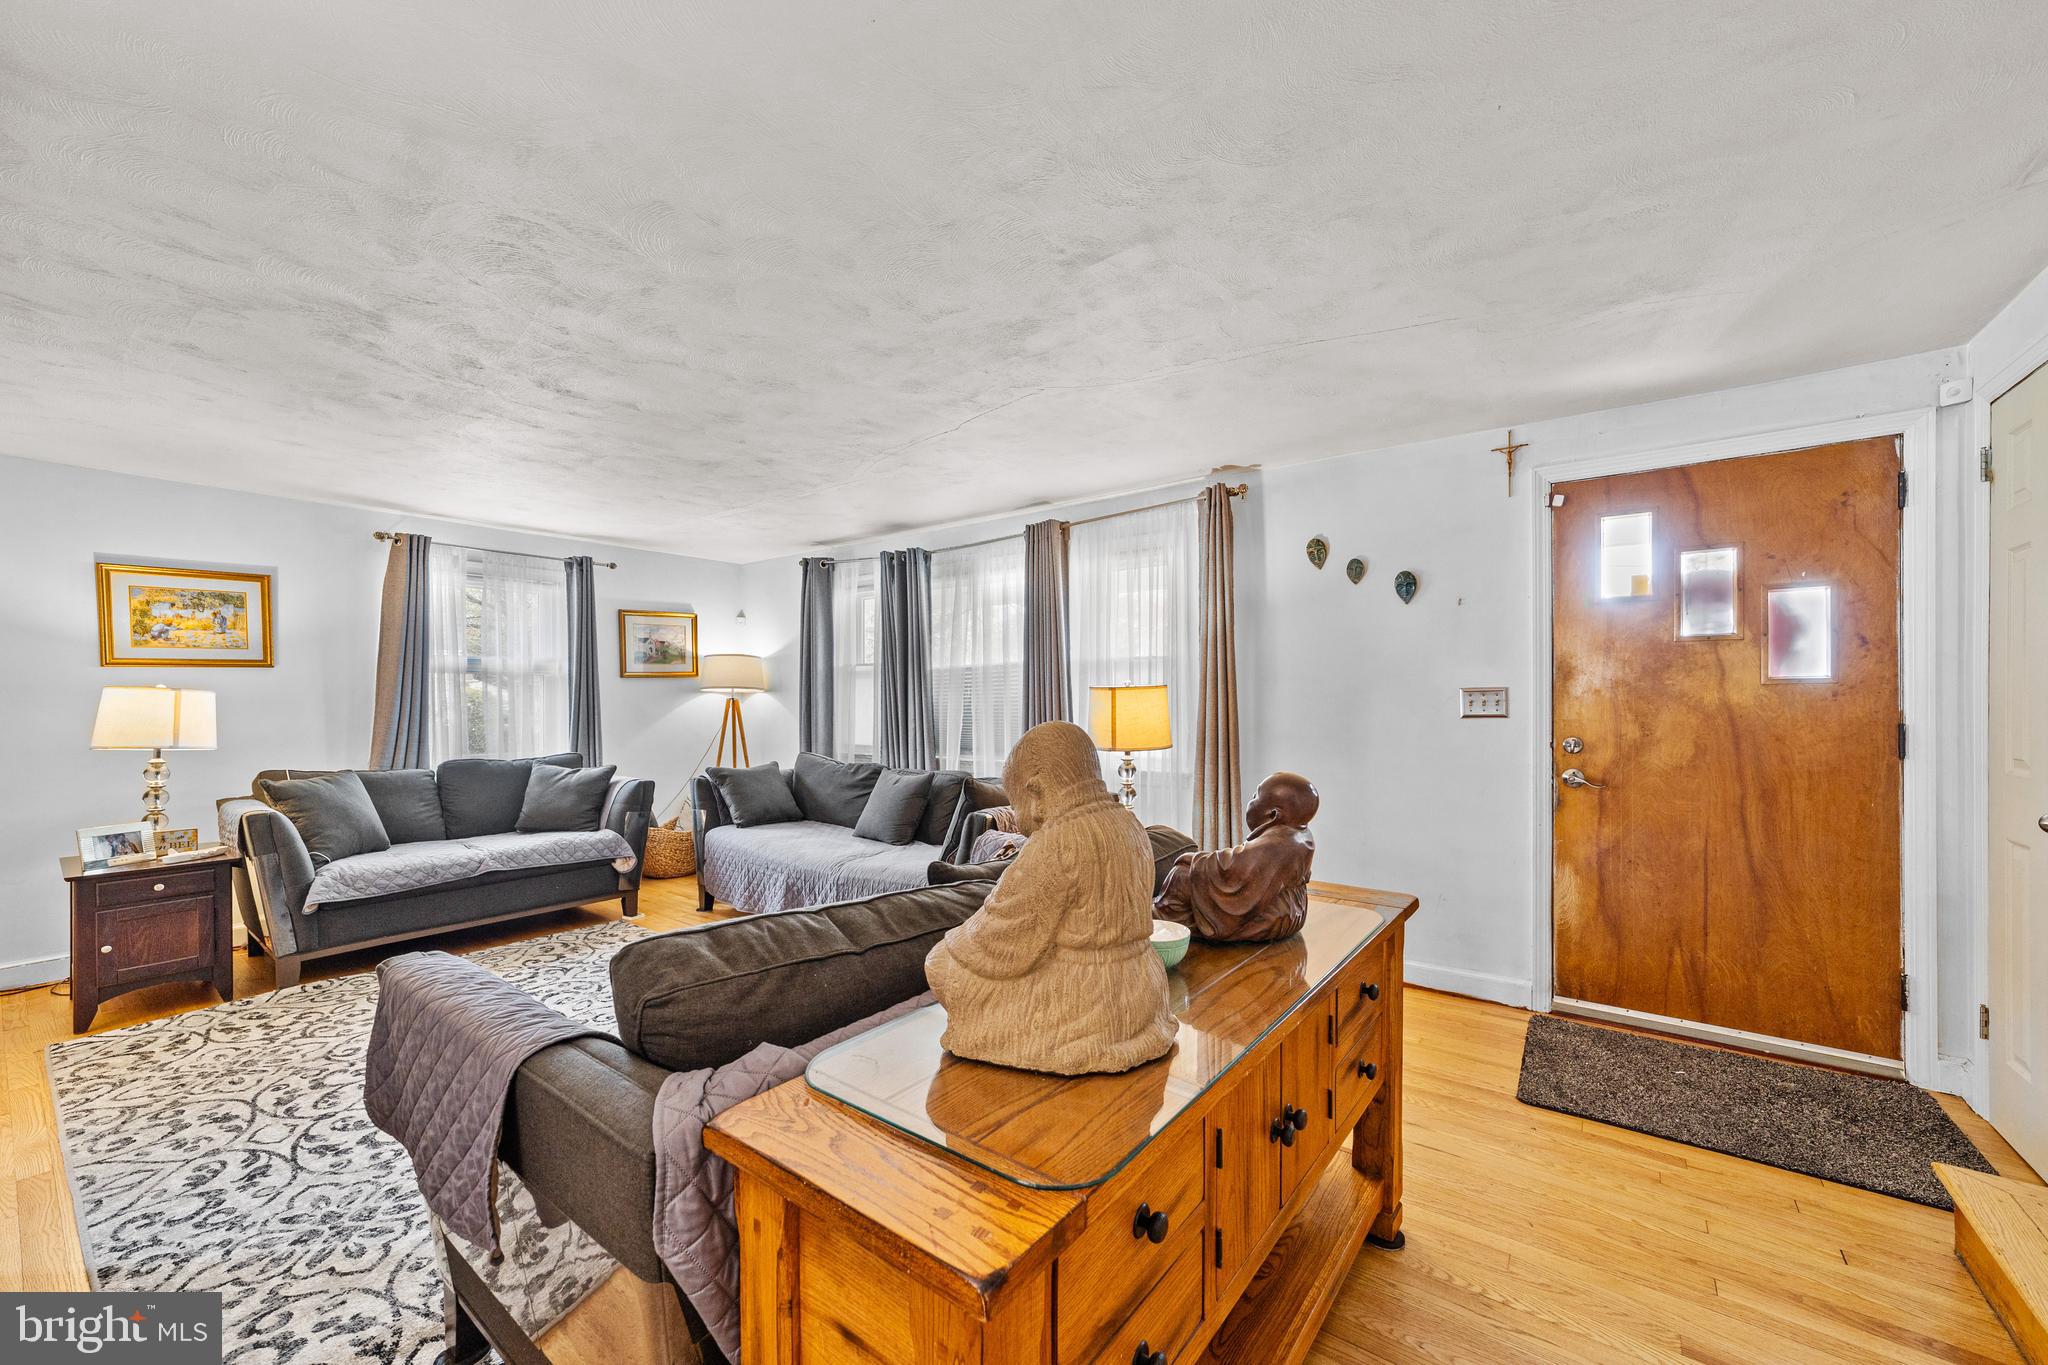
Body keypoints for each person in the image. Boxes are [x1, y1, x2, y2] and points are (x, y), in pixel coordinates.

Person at [924, 721, 1178, 1075]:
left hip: (1085, 1003)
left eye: (1016, 804)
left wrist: (949, 948)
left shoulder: (1058, 841)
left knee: (940, 965)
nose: (1019, 819)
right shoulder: (1130, 825)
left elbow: (1004, 941)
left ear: (1037, 792)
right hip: (1144, 988)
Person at [1154, 772, 1319, 942]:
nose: (1251, 800)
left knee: (1182, 874)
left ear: (1273, 815)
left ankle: (1161, 917)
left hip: (1267, 917)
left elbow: (1234, 867)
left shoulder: (1275, 843)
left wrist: (1194, 861)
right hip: (1290, 912)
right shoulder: (1302, 835)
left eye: (1255, 796)